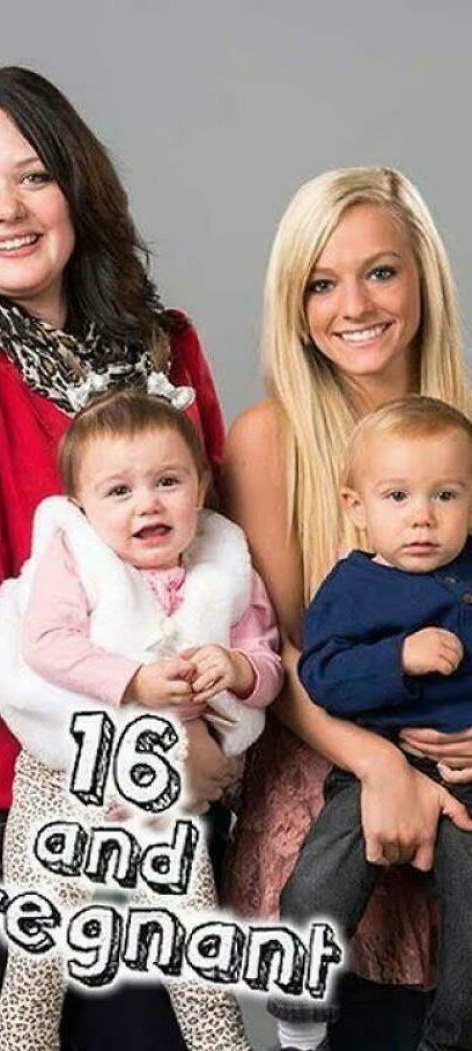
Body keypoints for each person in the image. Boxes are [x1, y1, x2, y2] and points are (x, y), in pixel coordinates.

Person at [0, 66, 236, 1051]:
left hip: (189, 791)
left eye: (32, 175)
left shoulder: (165, 349)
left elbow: (216, 561)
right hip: (17, 798)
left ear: (77, 183)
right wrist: (145, 745)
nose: (6, 209)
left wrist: (222, 730)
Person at [221, 167, 472, 1051]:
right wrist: (381, 766)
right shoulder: (270, 440)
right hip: (340, 777)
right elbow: (278, 651)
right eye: (321, 283)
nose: (354, 306)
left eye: (381, 272)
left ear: (423, 278)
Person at [0, 390, 282, 1051]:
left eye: (168, 482)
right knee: (38, 958)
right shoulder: (76, 558)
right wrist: (136, 681)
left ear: (201, 486)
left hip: (162, 800)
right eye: (119, 490)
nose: (148, 504)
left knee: (195, 953)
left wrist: (237, 668)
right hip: (64, 788)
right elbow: (46, 644)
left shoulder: (224, 565)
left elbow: (268, 661)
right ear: (81, 505)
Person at [271, 396, 472, 1051]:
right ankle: (299, 1005)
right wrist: (398, 658)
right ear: (356, 507)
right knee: (321, 876)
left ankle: (451, 1036)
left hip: (465, 778)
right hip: (376, 767)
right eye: (397, 496)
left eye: (446, 495)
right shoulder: (352, 587)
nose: (422, 516)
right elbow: (322, 676)